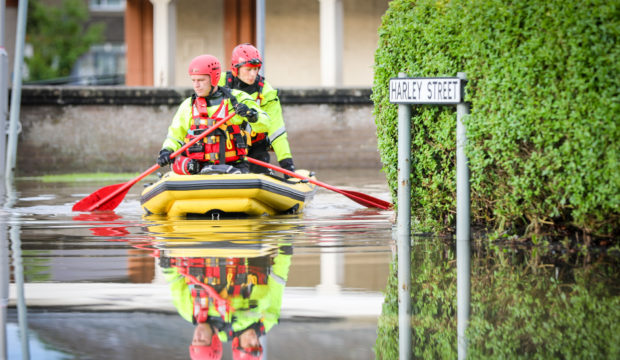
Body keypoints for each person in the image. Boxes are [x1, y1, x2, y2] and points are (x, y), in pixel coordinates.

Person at [156, 54, 270, 175]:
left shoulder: (237, 99)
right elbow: (175, 135)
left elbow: (265, 124)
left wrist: (252, 115)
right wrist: (166, 150)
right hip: (199, 167)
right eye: (193, 80)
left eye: (201, 80)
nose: (196, 85)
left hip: (233, 165)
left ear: (214, 78)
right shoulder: (188, 105)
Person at [220, 43, 296, 175]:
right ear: (235, 69)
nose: (253, 74)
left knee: (260, 168)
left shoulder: (266, 92)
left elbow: (277, 131)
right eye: (248, 69)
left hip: (255, 149)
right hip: (226, 147)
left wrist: (287, 166)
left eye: (256, 69)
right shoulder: (219, 84)